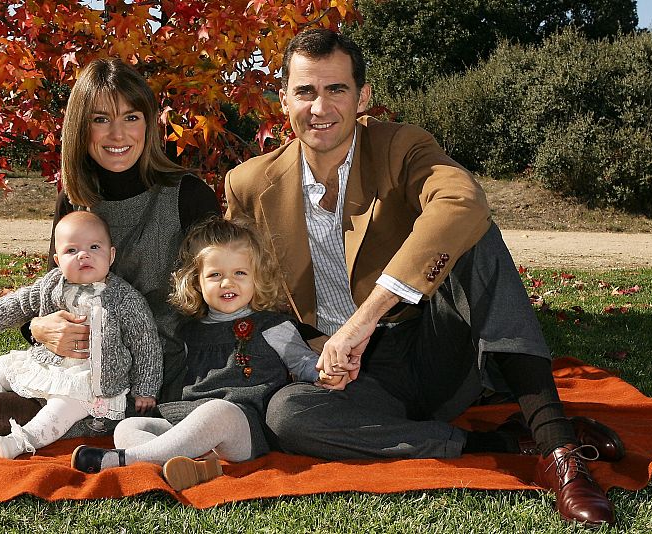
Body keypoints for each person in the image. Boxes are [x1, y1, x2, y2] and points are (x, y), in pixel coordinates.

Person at [224, 28, 624, 527]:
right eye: (305, 91)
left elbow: (462, 201)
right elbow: (247, 292)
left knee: (474, 234)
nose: (319, 107)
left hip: (432, 346)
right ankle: (502, 442)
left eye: (336, 89)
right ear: (284, 99)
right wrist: (307, 357)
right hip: (355, 380)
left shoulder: (402, 145)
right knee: (288, 415)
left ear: (362, 97)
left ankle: (559, 448)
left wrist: (363, 319)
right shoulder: (248, 184)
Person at [0, 57, 221, 444]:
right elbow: (51, 287)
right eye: (101, 119)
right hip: (58, 360)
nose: (117, 133)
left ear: (149, 123)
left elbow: (219, 301)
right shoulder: (75, 197)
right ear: (81, 127)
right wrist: (37, 328)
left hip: (129, 379)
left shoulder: (188, 197)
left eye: (131, 117)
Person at [71, 217, 326, 491]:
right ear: (196, 282)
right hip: (190, 419)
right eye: (215, 275)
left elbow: (303, 362)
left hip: (243, 426)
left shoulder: (272, 326)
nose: (227, 283)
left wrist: (323, 372)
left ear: (258, 276)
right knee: (129, 426)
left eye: (240, 273)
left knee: (218, 411)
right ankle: (189, 466)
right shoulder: (189, 331)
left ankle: (124, 459)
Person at [0, 211, 161, 459]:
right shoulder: (53, 284)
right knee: (3, 367)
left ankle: (21, 441)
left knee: (63, 407)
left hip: (89, 378)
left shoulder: (125, 299)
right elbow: (21, 302)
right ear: (58, 260)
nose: (83, 255)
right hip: (47, 362)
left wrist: (145, 389)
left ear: (111, 255)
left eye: (94, 247)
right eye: (71, 250)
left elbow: (146, 344)